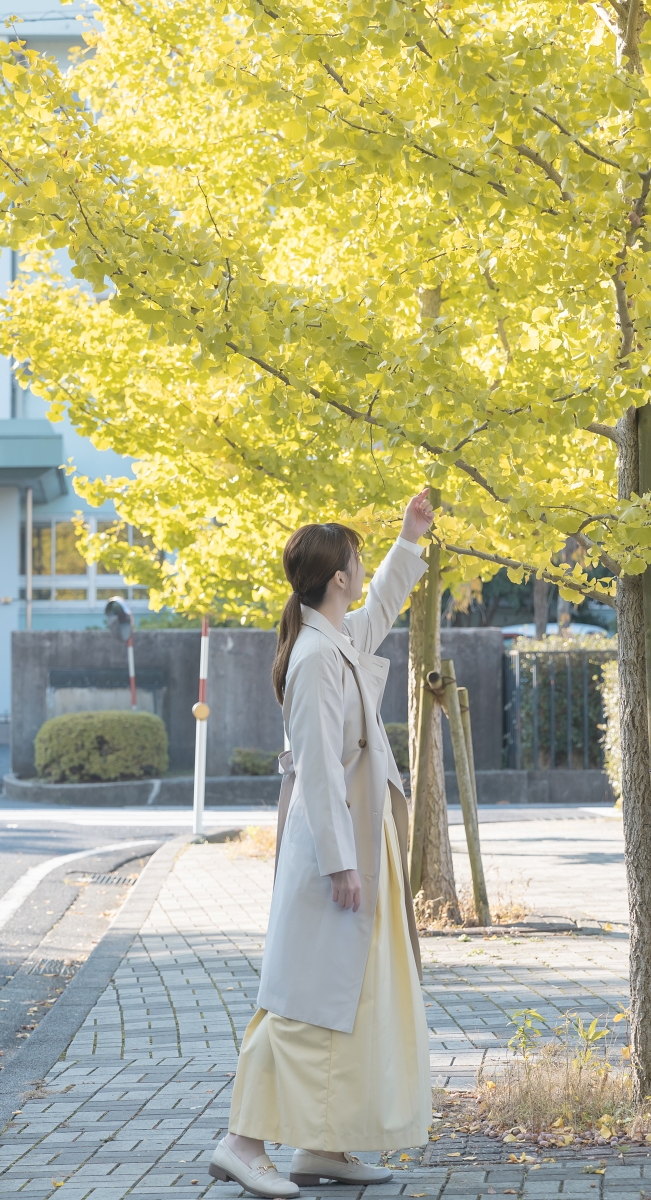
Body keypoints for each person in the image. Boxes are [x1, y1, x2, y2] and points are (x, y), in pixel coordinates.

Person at [208, 490, 436, 1198]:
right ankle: (242, 1143)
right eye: (360, 561)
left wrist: (409, 539)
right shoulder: (313, 657)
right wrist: (341, 865)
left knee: (354, 997)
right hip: (333, 858)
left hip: (354, 850)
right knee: (304, 1002)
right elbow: (314, 773)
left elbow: (380, 614)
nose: (365, 570)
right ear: (338, 575)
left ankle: (324, 1145)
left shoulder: (333, 639)